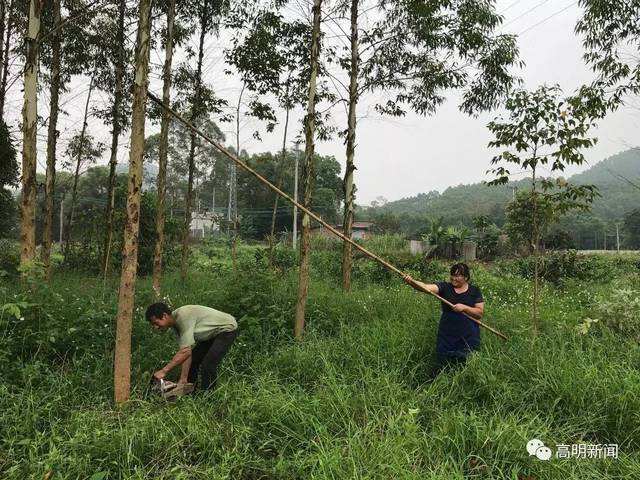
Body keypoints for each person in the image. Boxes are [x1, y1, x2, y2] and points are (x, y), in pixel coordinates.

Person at [404, 263, 484, 378]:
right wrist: (412, 282)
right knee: (443, 364)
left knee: (465, 365)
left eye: (457, 276)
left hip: (468, 336)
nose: (453, 278)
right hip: (447, 334)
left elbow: (479, 313)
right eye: (452, 275)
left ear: (466, 277)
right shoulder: (445, 287)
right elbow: (426, 288)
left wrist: (465, 308)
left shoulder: (474, 291)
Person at [145, 303, 238, 392]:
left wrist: (164, 371)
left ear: (164, 315)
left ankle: (209, 397)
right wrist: (183, 379)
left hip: (226, 329)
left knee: (208, 364)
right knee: (194, 360)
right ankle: (189, 391)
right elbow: (186, 352)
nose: (155, 327)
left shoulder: (183, 317)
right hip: (212, 334)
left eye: (156, 323)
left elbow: (185, 351)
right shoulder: (175, 325)